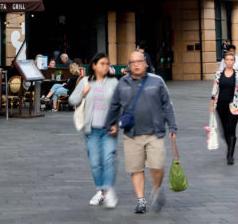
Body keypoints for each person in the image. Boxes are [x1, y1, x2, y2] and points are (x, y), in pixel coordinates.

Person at [106, 50, 178, 215]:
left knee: (157, 166)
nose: (136, 65)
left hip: (155, 133)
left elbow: (167, 104)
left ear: (145, 63)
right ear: (129, 65)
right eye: (132, 62)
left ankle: (156, 189)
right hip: (132, 134)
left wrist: (172, 126)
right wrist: (111, 124)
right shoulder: (122, 83)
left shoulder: (157, 81)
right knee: (136, 168)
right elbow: (114, 105)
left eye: (139, 61)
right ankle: (141, 200)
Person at [69, 53, 120, 208]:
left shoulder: (113, 82)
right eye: (102, 63)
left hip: (108, 129)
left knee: (108, 160)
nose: (106, 66)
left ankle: (109, 191)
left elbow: (120, 104)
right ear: (94, 65)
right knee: (95, 162)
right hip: (91, 130)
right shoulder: (85, 81)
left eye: (107, 64)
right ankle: (100, 191)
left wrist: (116, 123)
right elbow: (72, 100)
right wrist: (82, 94)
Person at [209, 51, 238, 165]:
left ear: (234, 61)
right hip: (220, 105)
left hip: (234, 106)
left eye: (231, 60)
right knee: (224, 131)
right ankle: (230, 147)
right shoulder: (218, 74)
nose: (229, 62)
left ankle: (230, 155)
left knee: (231, 128)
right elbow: (214, 89)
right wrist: (211, 105)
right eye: (227, 60)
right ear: (224, 61)